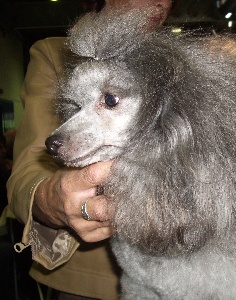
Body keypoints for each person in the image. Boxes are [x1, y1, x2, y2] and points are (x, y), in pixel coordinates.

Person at [7, 0, 174, 299]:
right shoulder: (55, 54)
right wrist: (50, 198)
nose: (159, 1)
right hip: (90, 283)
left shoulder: (179, 64)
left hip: (181, 278)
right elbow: (26, 171)